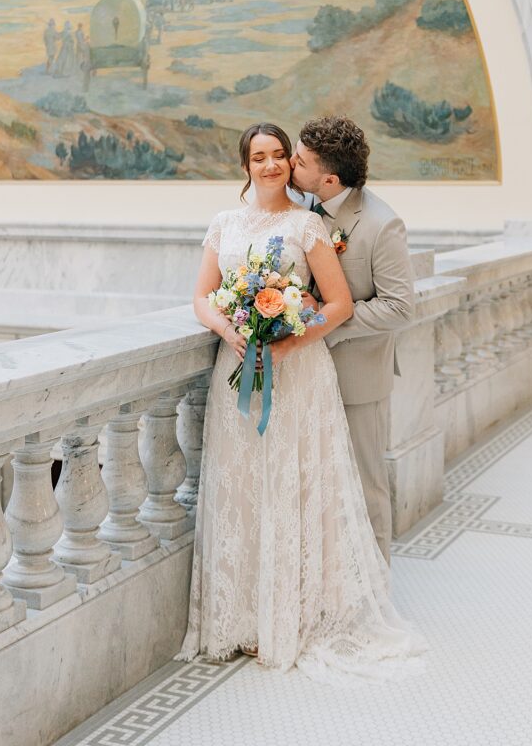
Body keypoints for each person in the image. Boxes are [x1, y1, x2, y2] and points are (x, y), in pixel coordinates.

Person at [176, 122, 426, 683]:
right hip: (235, 368)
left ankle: (316, 607)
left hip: (301, 372)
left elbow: (338, 304)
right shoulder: (224, 223)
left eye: (282, 156)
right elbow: (200, 294)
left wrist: (288, 340)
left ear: (298, 165)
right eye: (259, 157)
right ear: (245, 165)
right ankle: (245, 613)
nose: (272, 165)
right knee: (245, 486)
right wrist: (230, 327)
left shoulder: (313, 221)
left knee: (310, 485)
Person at [291, 117, 414, 563]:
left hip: (358, 378)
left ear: (329, 178)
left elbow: (400, 306)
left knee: (365, 484)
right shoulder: (301, 209)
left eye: (299, 161)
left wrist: (328, 320)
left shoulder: (382, 224)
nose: (289, 163)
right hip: (304, 374)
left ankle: (377, 585)